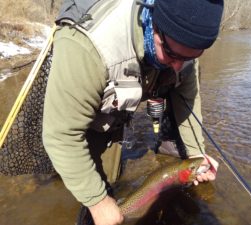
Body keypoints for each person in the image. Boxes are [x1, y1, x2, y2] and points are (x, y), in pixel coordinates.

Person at [42, 0, 224, 224]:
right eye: (171, 53)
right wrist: (98, 202)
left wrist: (196, 155)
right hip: (93, 86)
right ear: (154, 24)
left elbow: (186, 97)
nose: (178, 66)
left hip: (131, 81)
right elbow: (61, 135)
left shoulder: (184, 44)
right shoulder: (88, 46)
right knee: (96, 184)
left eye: (189, 57)